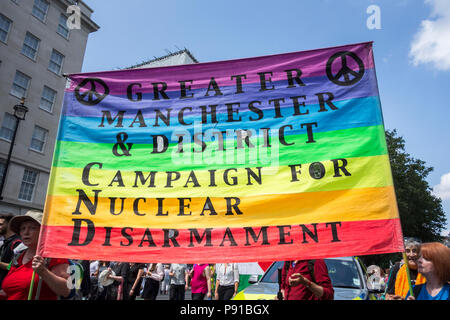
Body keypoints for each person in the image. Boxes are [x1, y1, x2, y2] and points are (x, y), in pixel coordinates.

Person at [0, 210, 70, 300]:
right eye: (23, 228)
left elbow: (65, 290)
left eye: (32, 228)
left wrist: (43, 271)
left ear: (44, 232)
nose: (26, 232)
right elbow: (12, 289)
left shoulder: (54, 256)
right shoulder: (19, 256)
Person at [0, 214, 22, 288]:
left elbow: (14, 267)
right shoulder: (4, 243)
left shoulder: (17, 242)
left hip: (8, 289)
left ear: (9, 225)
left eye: (0, 224)